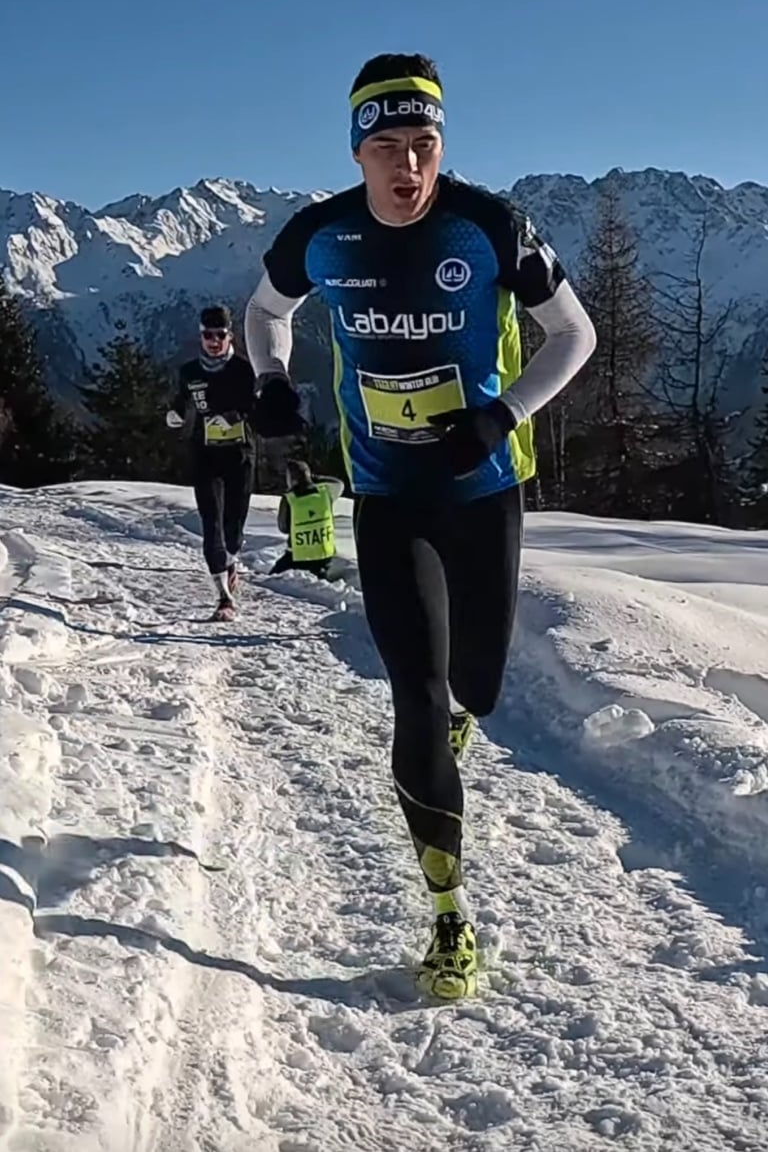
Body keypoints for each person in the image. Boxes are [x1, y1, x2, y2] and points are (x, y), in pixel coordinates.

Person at [243, 52, 596, 1000]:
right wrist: (271, 378)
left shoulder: (489, 225)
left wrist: (501, 415)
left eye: (425, 144)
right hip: (387, 496)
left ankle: (459, 721)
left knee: (478, 688)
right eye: (389, 146)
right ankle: (448, 913)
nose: (408, 166)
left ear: (443, 145)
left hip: (483, 491)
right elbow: (266, 310)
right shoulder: (321, 234)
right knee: (417, 696)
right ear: (357, 150)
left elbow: (576, 335)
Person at [166, 305, 258, 621]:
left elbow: (255, 407)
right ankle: (224, 598)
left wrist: (233, 416)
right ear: (201, 336)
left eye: (220, 334)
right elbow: (181, 400)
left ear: (230, 335)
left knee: (233, 529)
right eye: (208, 335)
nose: (214, 341)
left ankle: (230, 562)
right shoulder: (190, 372)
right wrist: (175, 414)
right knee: (212, 525)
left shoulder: (243, 370)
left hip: (240, 455)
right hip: (205, 455)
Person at [270, 458, 344, 578]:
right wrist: (313, 478)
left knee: (270, 579)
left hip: (298, 558)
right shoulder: (325, 493)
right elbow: (339, 484)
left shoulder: (290, 499)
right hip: (325, 556)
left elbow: (283, 528)